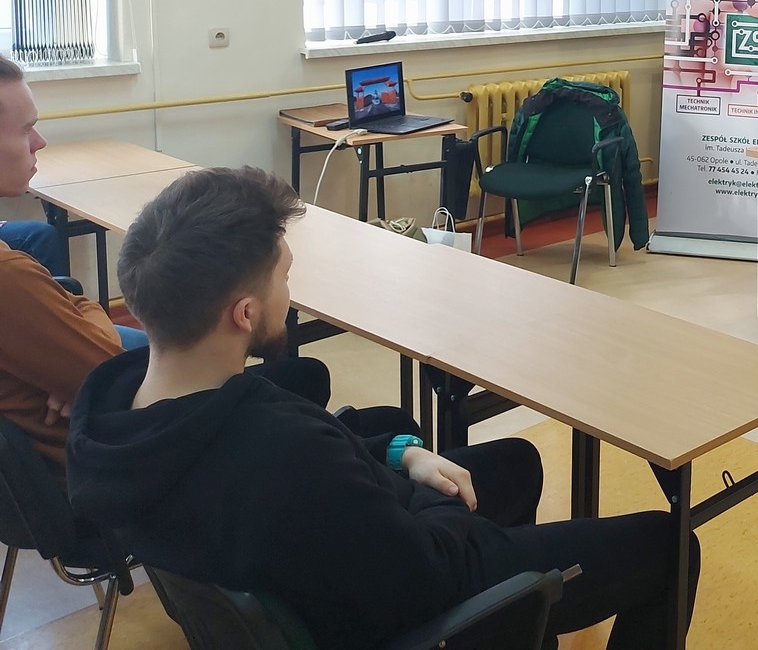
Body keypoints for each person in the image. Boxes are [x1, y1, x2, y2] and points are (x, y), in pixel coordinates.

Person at [68, 166, 698, 650]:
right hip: (405, 596)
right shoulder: (278, 453)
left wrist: (402, 454)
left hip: (334, 557)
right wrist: (431, 499)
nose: (291, 292)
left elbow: (322, 450)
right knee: (670, 545)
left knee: (515, 461)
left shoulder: (117, 411)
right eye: (283, 277)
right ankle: (511, 610)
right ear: (245, 313)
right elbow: (426, 573)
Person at [0, 54, 162, 474]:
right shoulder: (9, 278)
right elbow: (115, 374)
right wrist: (83, 322)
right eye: (25, 130)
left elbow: (71, 308)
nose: (39, 142)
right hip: (98, 465)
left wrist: (72, 343)